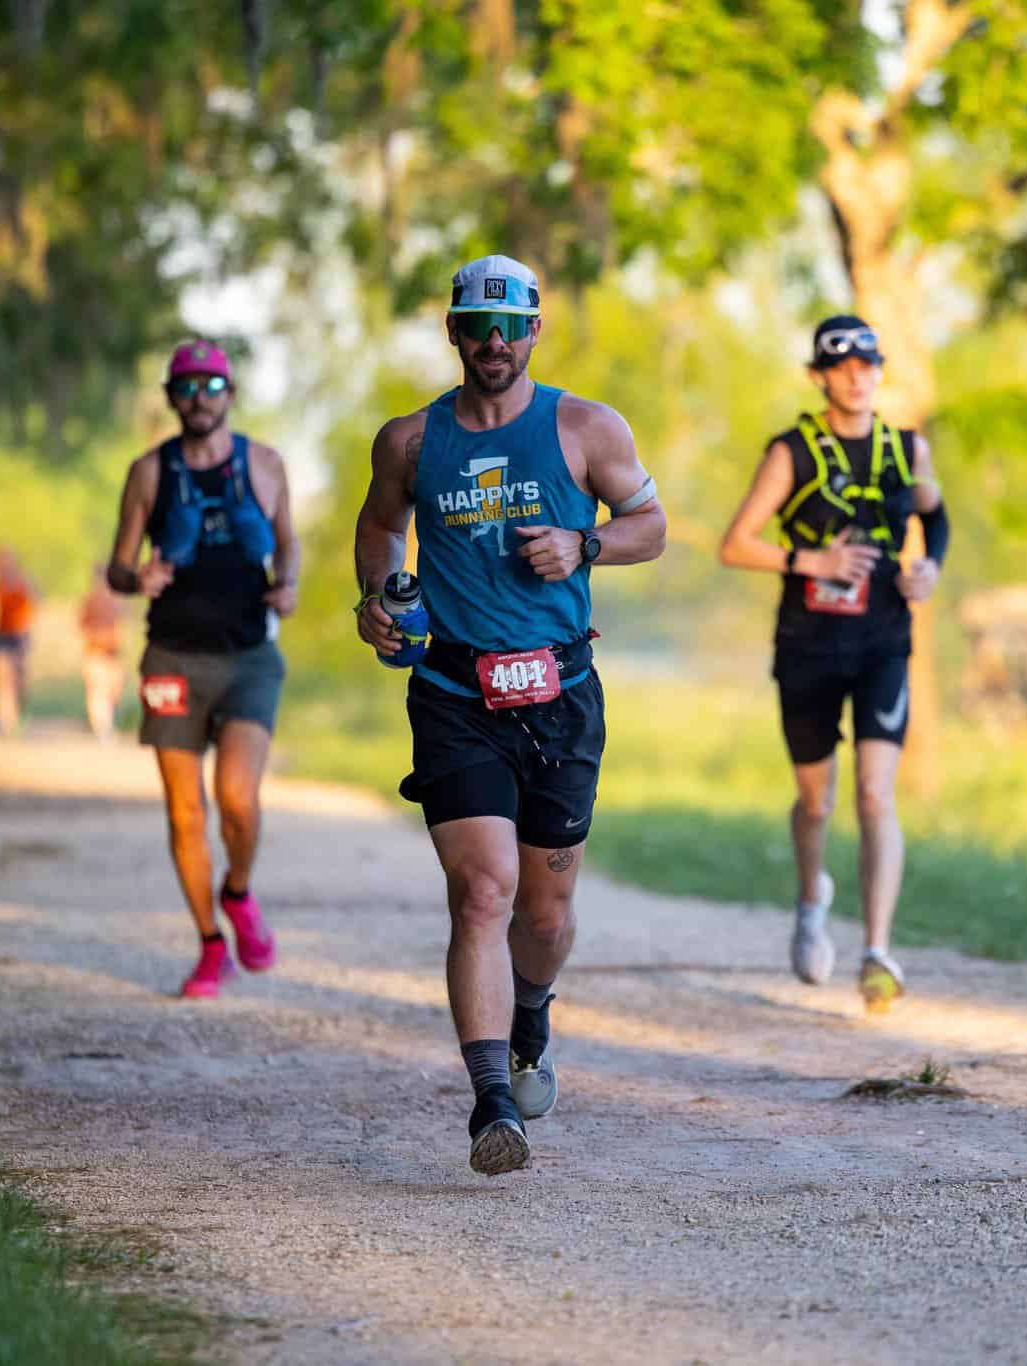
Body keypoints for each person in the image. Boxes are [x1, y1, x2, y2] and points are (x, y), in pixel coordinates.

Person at [353, 255, 666, 1175]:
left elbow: (653, 526)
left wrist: (587, 543)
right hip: (455, 693)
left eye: (510, 327)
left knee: (546, 910)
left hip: (561, 697)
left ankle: (532, 1011)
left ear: (535, 330)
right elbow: (380, 524)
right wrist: (378, 596)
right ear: (452, 332)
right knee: (482, 889)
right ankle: (494, 1103)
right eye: (475, 326)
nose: (494, 343)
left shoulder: (584, 428)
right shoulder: (410, 441)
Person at [717, 315, 948, 1012]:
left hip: (882, 640)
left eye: (869, 363)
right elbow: (736, 544)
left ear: (880, 370)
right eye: (842, 365)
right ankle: (812, 899)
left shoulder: (907, 448)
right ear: (819, 375)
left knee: (877, 793)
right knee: (818, 800)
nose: (858, 375)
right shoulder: (793, 452)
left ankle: (877, 950)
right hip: (809, 645)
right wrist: (807, 559)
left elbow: (936, 518)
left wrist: (929, 566)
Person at [104, 340, 299, 999]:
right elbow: (118, 567)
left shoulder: (265, 465)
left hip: (248, 657)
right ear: (170, 398)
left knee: (238, 798)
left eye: (210, 387)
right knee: (186, 814)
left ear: (231, 394)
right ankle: (211, 945)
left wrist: (290, 584)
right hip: (173, 657)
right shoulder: (150, 472)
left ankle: (238, 893)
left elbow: (288, 545)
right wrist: (140, 576)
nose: (198, 399)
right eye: (186, 388)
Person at [0, 547, 39, 735]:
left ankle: (19, 711)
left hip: (19, 636)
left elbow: (34, 603)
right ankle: (7, 721)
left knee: (20, 680)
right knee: (3, 679)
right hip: (1, 636)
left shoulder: (22, 583)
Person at [77, 568, 127, 741]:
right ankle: (102, 728)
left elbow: (122, 626)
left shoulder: (117, 601)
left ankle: (105, 723)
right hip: (95, 653)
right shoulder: (90, 601)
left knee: (114, 691)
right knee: (98, 692)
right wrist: (96, 636)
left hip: (113, 654)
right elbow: (82, 625)